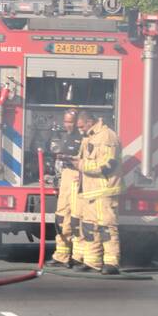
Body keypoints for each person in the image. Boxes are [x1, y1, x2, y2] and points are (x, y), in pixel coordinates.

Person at [72, 110, 123, 274]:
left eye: (81, 126)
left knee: (106, 227)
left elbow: (107, 165)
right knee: (89, 228)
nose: (80, 130)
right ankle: (92, 261)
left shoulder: (107, 137)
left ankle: (111, 263)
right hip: (90, 191)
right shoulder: (90, 136)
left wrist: (81, 165)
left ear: (89, 122)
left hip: (104, 191)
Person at [46, 109, 83, 268]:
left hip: (77, 177)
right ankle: (61, 255)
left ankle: (78, 257)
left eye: (71, 122)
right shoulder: (67, 136)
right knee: (62, 216)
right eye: (66, 121)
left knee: (76, 218)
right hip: (67, 176)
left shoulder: (84, 138)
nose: (68, 125)